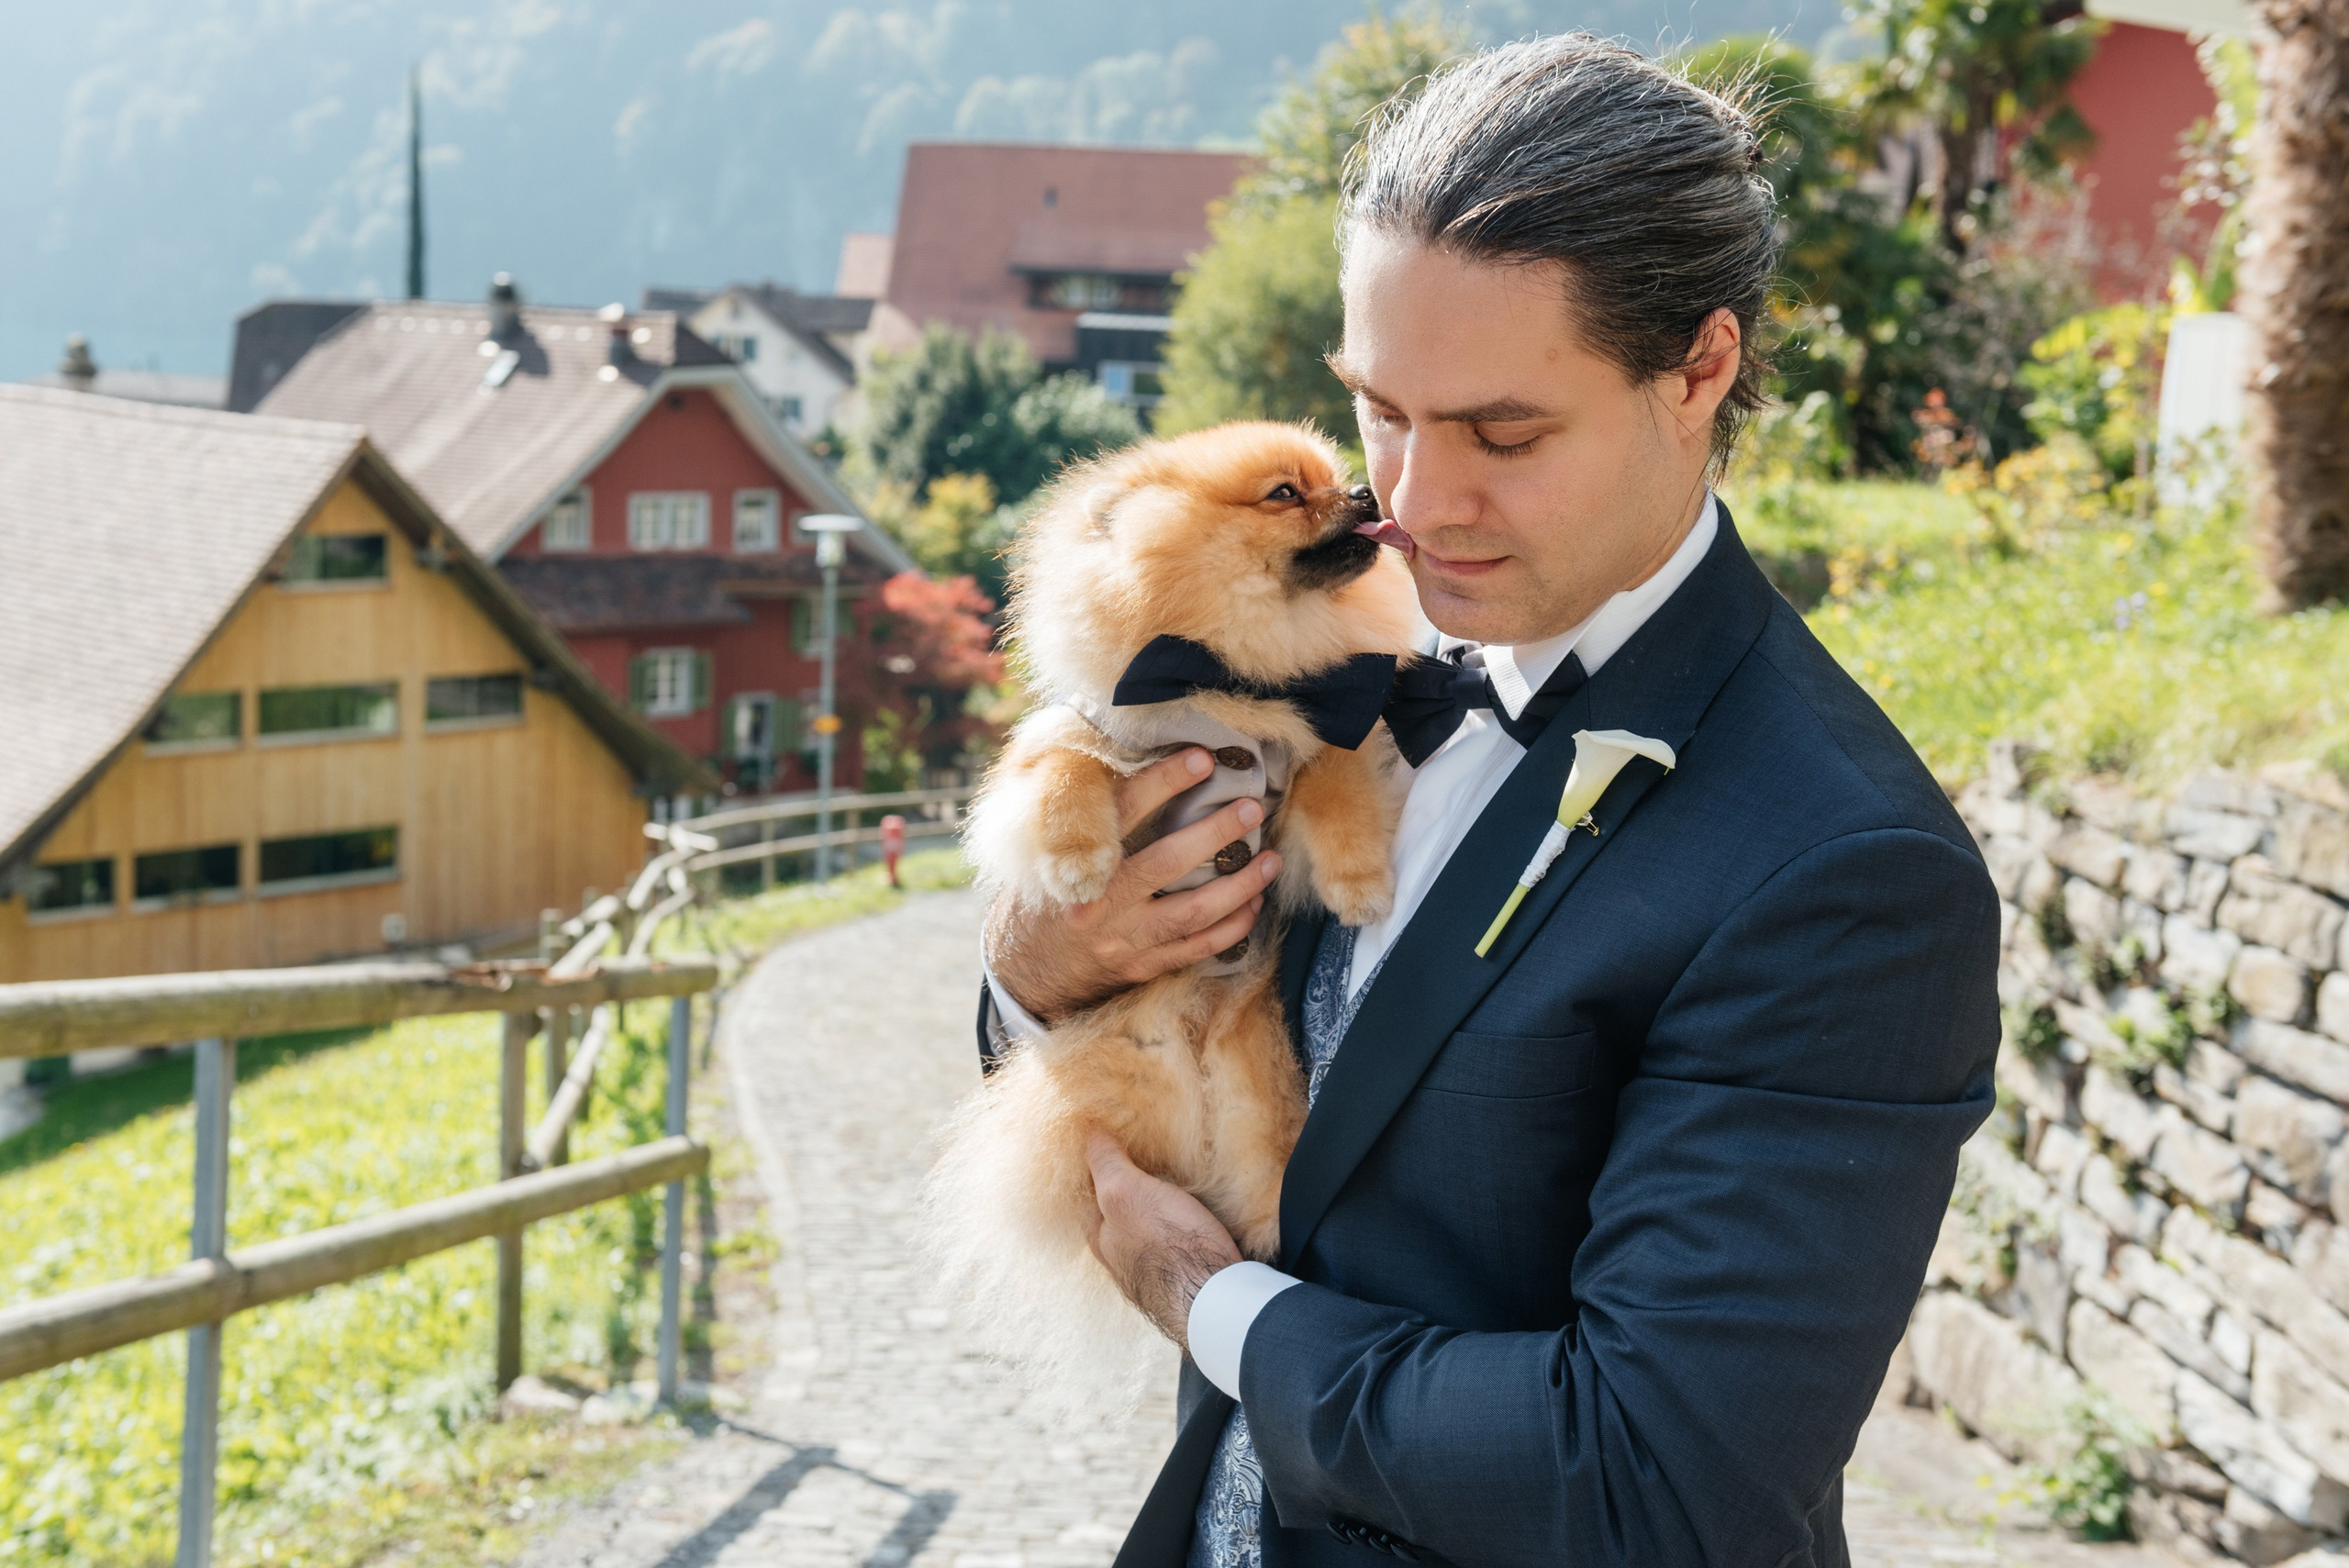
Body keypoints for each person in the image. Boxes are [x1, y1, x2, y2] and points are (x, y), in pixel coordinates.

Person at [978, 33, 2000, 1568]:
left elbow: (1649, 1478)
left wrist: (1216, 1308)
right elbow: (1111, 978)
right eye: (1380, 408)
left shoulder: (1847, 869)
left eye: (1503, 435)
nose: (1413, 499)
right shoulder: (1340, 632)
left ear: (1699, 370)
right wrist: (1033, 966)